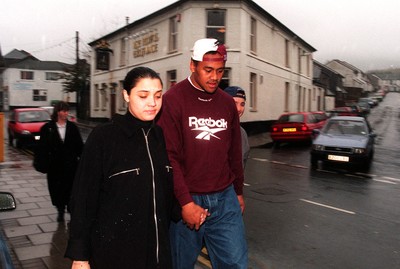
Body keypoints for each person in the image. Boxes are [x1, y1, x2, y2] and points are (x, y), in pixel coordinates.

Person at [65, 67, 174, 269]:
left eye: (158, 96)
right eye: (143, 95)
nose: (152, 102)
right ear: (126, 95)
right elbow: (83, 198)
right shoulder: (103, 137)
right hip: (115, 256)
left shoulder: (159, 136)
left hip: (158, 257)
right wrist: (80, 256)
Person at [157, 38, 248, 269]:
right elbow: (169, 157)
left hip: (225, 198)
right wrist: (185, 202)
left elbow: (234, 152)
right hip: (188, 198)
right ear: (192, 65)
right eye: (208, 70)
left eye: (220, 71)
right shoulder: (172, 101)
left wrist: (237, 192)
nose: (215, 77)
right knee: (180, 265)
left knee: (235, 264)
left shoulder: (227, 104)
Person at [36, 101, 83, 222]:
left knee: (72, 190)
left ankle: (72, 211)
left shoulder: (72, 128)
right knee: (57, 190)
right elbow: (42, 148)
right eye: (64, 111)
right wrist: (42, 164)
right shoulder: (47, 128)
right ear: (57, 112)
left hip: (71, 167)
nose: (66, 113)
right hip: (55, 167)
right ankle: (60, 210)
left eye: (67, 111)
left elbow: (79, 147)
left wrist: (84, 161)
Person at [224, 86, 250, 168]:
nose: (239, 109)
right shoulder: (212, 129)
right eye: (234, 103)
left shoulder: (242, 133)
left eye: (242, 104)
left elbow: (243, 162)